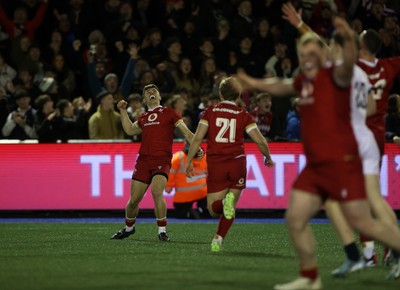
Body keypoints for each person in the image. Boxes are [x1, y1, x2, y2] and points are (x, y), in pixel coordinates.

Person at [237, 18, 400, 289]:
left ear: (325, 54)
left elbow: (350, 72)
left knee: (363, 222)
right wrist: (256, 82)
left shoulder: (337, 74)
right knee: (295, 218)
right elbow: (284, 84)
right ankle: (311, 277)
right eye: (302, 54)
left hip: (340, 161)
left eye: (312, 53)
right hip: (317, 166)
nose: (307, 58)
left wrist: (347, 40)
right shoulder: (307, 78)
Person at [282, 2, 400, 267]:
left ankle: (368, 254)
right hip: (377, 138)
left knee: (343, 200)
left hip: (353, 139)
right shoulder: (389, 67)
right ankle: (385, 250)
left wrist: (300, 25)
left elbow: (321, 48)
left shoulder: (351, 66)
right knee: (373, 197)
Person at [185, 76, 274, 252]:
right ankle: (218, 239)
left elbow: (197, 138)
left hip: (217, 163)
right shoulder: (244, 114)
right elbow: (260, 141)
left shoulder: (210, 111)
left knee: (213, 209)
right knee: (230, 207)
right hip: (237, 163)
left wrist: (189, 161)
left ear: (220, 93)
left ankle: (223, 205)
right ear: (239, 95)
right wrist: (268, 157)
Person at [111, 84, 203, 241]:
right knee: (133, 201)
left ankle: (162, 230)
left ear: (159, 97)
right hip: (144, 160)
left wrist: (197, 147)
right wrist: (122, 111)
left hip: (162, 159)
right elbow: (130, 130)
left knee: (156, 191)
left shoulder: (169, 113)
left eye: (154, 91)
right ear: (145, 99)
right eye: (147, 92)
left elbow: (187, 132)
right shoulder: (143, 117)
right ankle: (129, 228)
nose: (151, 93)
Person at [165, 141, 208, 219]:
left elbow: (170, 174)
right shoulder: (205, 157)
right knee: (206, 204)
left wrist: (168, 188)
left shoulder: (178, 157)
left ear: (185, 144)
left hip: (183, 195)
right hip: (202, 193)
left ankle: (188, 213)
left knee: (180, 214)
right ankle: (200, 210)